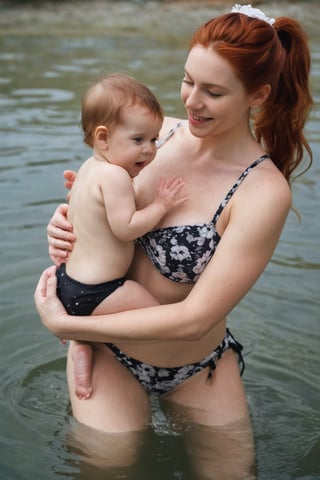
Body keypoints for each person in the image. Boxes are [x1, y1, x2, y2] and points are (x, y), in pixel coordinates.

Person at [35, 5, 313, 478]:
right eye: (188, 81)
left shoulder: (263, 192)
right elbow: (93, 205)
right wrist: (62, 226)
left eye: (214, 92)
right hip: (109, 356)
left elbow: (194, 319)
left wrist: (65, 325)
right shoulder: (154, 138)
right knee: (109, 464)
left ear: (257, 95)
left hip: (195, 364)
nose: (191, 102)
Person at [55, 73, 188, 400]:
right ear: (103, 137)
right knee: (155, 316)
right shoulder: (114, 175)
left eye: (155, 139)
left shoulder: (88, 168)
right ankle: (166, 375)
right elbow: (126, 227)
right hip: (99, 290)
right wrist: (160, 206)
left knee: (91, 336)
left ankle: (82, 348)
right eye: (139, 140)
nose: (150, 150)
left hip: (70, 283)